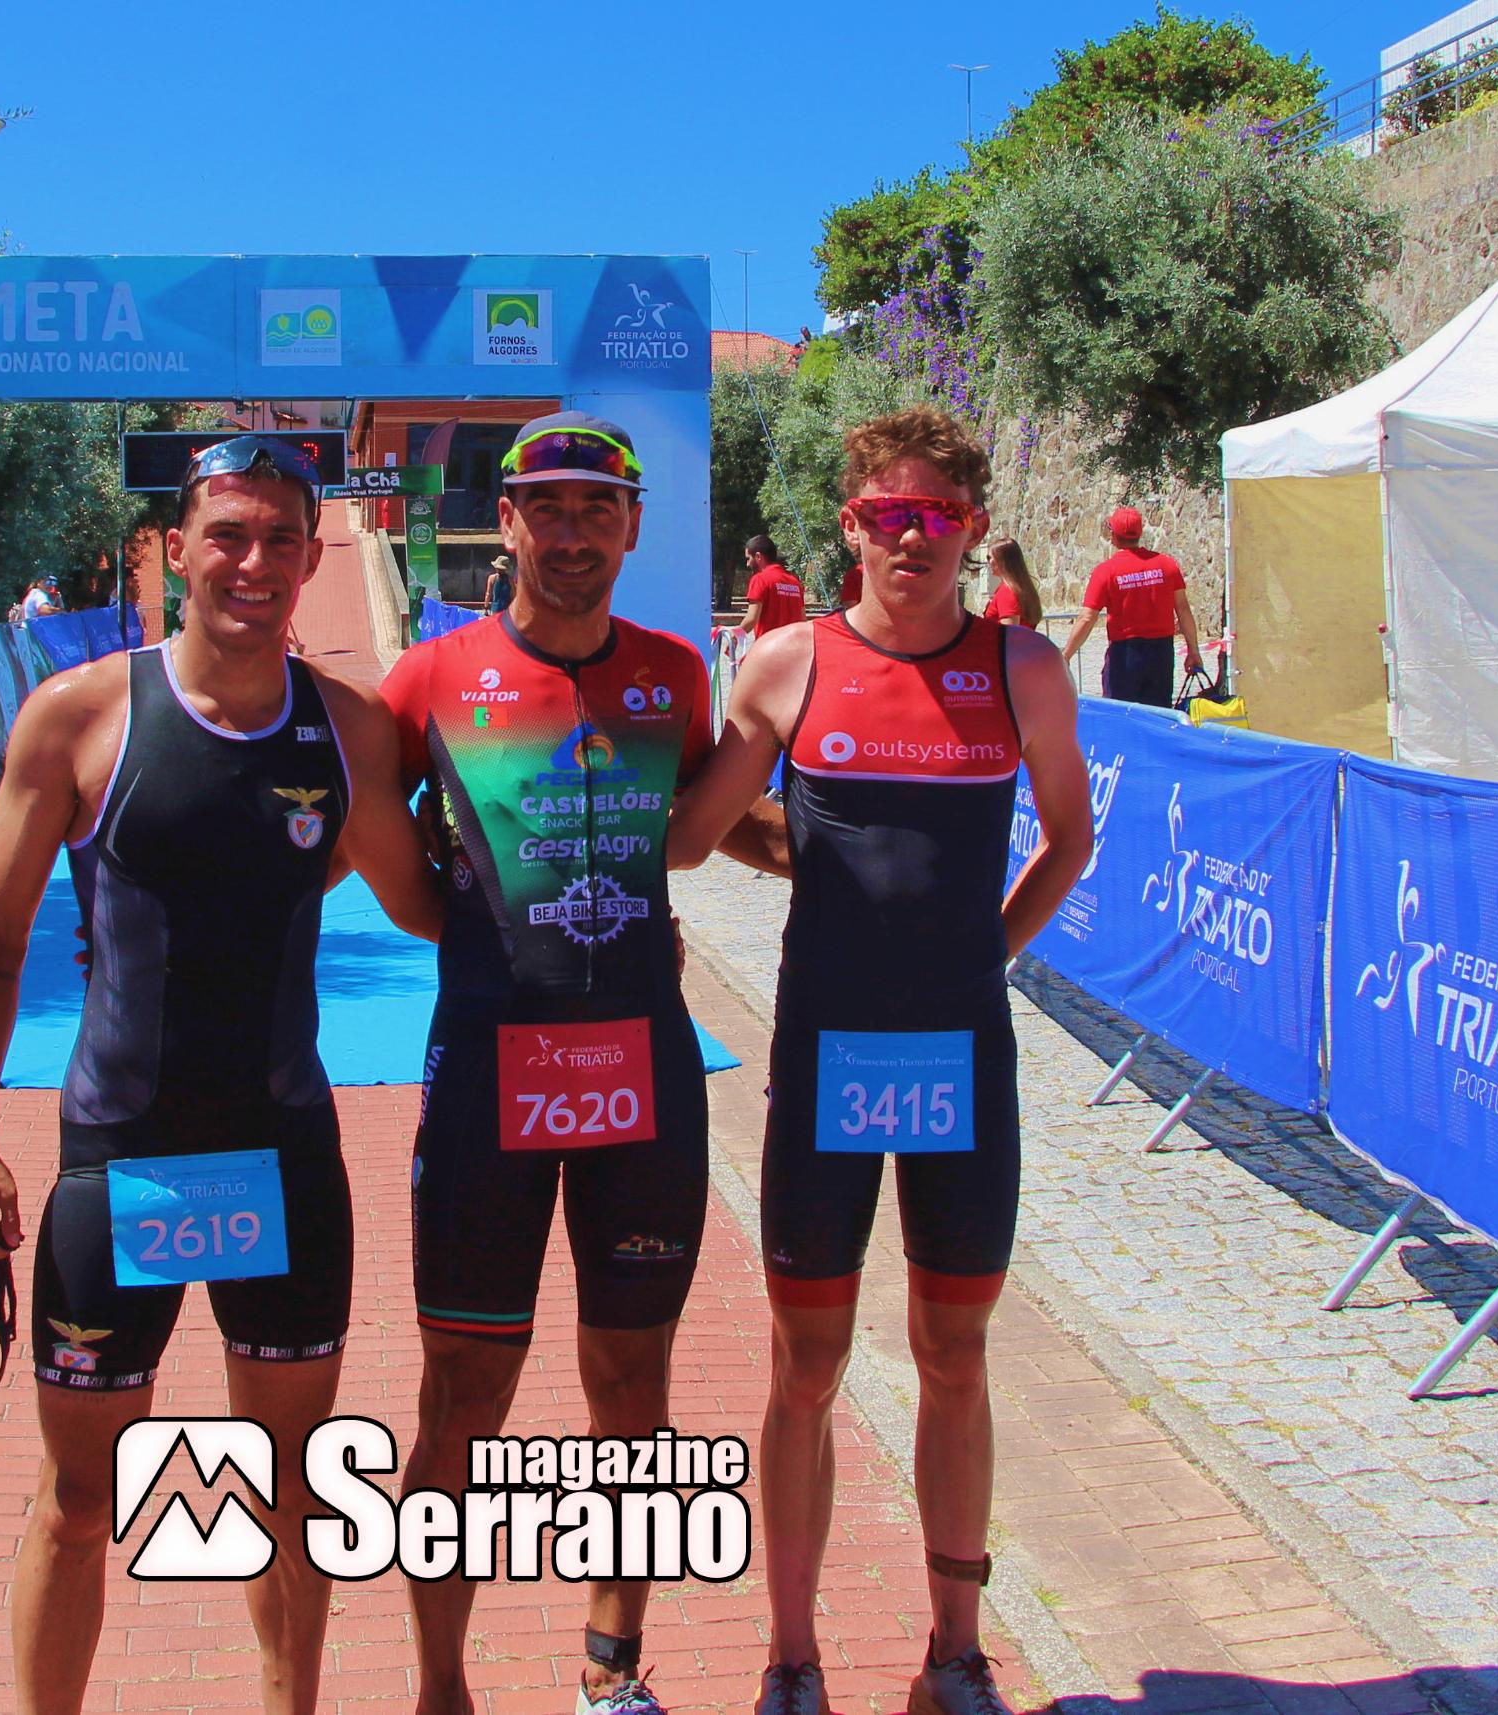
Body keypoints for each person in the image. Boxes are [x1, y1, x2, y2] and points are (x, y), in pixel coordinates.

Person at [0, 436, 442, 1715]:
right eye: (228, 533)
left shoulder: (346, 730)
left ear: (313, 556)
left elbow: (431, 905)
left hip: (284, 1158)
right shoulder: (79, 716)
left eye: (281, 537)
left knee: (291, 1490)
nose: (253, 561)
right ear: (177, 549)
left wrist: (595, 916)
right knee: (79, 1499)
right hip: (123, 1162)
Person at [668, 408, 1093, 1715]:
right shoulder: (789, 662)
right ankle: (792, 1656)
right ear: (848, 525)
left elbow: (1068, 841)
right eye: (886, 514)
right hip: (824, 1052)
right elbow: (689, 832)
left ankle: (954, 1652)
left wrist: (981, 954)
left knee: (954, 1353)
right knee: (806, 1365)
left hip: (961, 1052)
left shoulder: (1021, 667)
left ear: (972, 530)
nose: (912, 538)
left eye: (937, 516)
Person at [380, 411, 785, 1715]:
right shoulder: (428, 679)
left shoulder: (672, 674)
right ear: (504, 520)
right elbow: (361, 837)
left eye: (595, 509)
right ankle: (442, 1688)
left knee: (631, 1386)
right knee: (463, 1393)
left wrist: (865, 854)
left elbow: (708, 819)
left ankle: (612, 1673)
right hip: (485, 1075)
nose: (570, 532)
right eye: (545, 506)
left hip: (641, 1076)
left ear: (631, 526)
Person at [1059, 507, 1201, 706]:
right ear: (1140, 533)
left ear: (1113, 535)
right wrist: (1193, 651)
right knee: (1157, 715)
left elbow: (1087, 617)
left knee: (1120, 714)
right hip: (1161, 653)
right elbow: (1183, 609)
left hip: (1124, 654)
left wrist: (1066, 654)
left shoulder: (1105, 572)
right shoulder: (1167, 565)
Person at [737, 534, 806, 644]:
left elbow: (751, 619)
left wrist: (734, 636)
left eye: (748, 558)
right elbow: (803, 620)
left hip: (769, 648)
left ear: (758, 556)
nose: (747, 564)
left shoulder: (760, 580)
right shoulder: (795, 582)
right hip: (793, 649)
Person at [982, 537, 1044, 629]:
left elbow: (1010, 633)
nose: (987, 562)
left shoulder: (1007, 591)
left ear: (1001, 560)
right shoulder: (1021, 587)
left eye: (989, 558)